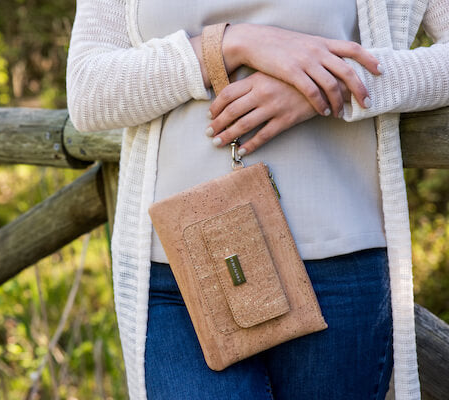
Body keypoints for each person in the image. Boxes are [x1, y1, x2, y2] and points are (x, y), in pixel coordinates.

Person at [66, 0, 449, 399]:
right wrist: (230, 44)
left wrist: (328, 83)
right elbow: (88, 91)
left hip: (339, 272)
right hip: (177, 277)